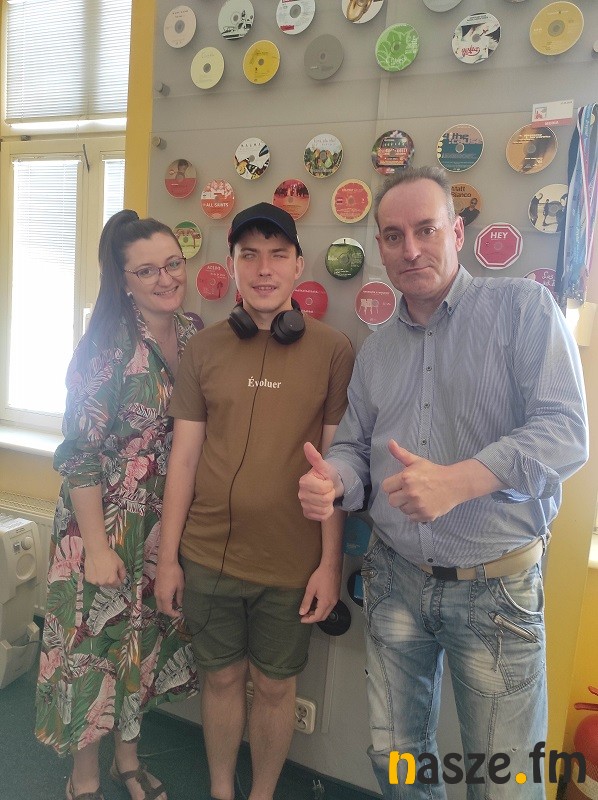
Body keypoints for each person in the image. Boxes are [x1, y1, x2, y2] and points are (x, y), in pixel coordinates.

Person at [297, 166, 588, 799]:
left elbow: (566, 433)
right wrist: (334, 481)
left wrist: (460, 481)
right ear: (381, 248)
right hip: (395, 578)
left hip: (495, 589)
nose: (411, 249)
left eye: (426, 230)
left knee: (505, 779)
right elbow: (353, 449)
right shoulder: (378, 349)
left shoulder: (522, 309)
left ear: (457, 233)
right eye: (393, 236)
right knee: (397, 761)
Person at [155, 202, 354, 800]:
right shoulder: (204, 349)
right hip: (207, 556)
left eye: (277, 255)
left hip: (290, 565)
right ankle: (222, 791)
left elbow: (335, 470)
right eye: (249, 255)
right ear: (233, 264)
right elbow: (183, 461)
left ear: (298, 265)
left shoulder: (334, 350)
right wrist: (167, 560)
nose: (263, 269)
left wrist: (330, 564)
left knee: (273, 687)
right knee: (219, 682)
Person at [35, 210, 200, 800]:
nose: (166, 278)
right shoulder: (105, 346)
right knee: (91, 652)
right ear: (124, 281)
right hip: (100, 525)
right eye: (147, 271)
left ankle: (126, 760)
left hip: (161, 524)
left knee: (141, 648)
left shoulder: (195, 332)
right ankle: (83, 777)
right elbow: (78, 455)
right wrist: (98, 549)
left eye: (173, 263)